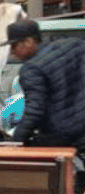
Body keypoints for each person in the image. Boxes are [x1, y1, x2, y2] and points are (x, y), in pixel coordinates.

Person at [5, 19, 85, 147]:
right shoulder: (75, 44)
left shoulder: (32, 69)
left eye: (14, 45)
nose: (12, 51)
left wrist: (16, 142)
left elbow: (34, 111)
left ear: (29, 42)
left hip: (64, 135)